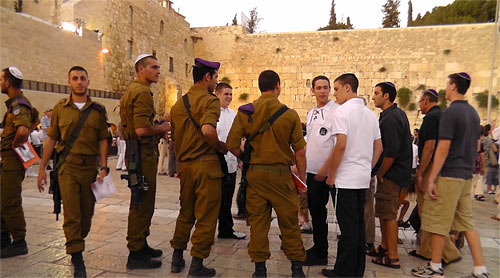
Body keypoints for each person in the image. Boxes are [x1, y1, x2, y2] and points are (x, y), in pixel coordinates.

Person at [227, 70, 307, 278]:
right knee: (289, 223)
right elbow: (300, 152)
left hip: (256, 176)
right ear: (278, 86)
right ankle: (297, 269)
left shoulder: (246, 112)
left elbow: (231, 144)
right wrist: (302, 180)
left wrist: (245, 157)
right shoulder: (289, 115)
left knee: (259, 224)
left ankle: (260, 269)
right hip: (281, 176)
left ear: (259, 87)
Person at [411, 73, 489, 278]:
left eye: (447, 84)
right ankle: (480, 269)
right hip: (465, 176)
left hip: (448, 175)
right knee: (466, 222)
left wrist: (431, 178)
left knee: (438, 222)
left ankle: (435, 266)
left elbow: (442, 148)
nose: (446, 88)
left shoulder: (450, 113)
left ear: (453, 87)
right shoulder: (473, 113)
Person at [36, 66, 109, 277]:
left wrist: (104, 167)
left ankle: (78, 240)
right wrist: (42, 168)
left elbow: (103, 139)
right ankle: (77, 257)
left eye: (82, 78)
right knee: (72, 215)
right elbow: (51, 138)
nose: (79, 82)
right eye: (75, 79)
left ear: (88, 81)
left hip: (89, 170)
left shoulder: (98, 110)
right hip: (67, 168)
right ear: (69, 82)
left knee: (86, 216)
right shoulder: (60, 108)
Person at [320, 73, 383, 277]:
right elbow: (379, 148)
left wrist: (332, 174)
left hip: (346, 179)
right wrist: (367, 168)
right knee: (358, 225)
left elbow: (340, 146)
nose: (334, 94)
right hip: (362, 179)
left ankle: (343, 271)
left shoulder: (342, 112)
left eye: (336, 89)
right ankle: (357, 269)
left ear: (348, 88)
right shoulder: (370, 115)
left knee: (347, 229)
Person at [169, 58, 226, 277]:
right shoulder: (210, 101)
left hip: (187, 168)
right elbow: (207, 131)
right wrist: (220, 146)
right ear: (207, 77)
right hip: (206, 166)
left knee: (186, 213)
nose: (216, 82)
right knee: (206, 216)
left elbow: (174, 140)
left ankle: (176, 258)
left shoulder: (178, 105)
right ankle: (197, 264)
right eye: (215, 77)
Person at [120, 54, 170, 269]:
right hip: (142, 155)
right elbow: (141, 129)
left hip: (137, 153)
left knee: (142, 199)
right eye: (154, 67)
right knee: (142, 201)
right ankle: (135, 252)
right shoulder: (141, 92)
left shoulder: (133, 90)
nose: (158, 71)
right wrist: (162, 128)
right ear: (141, 69)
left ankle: (141, 244)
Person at [408, 89, 462, 265]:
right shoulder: (443, 115)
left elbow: (429, 147)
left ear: (425, 100)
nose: (419, 106)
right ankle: (425, 250)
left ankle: (449, 252)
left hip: (432, 167)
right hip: (444, 167)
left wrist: (421, 172)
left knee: (428, 212)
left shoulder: (431, 118)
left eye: (420, 103)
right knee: (427, 211)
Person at [370, 81, 412, 269]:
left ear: (386, 96)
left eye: (376, 93)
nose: (373, 97)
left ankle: (392, 256)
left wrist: (380, 173)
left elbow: (392, 152)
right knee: (384, 212)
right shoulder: (394, 115)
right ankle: (384, 247)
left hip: (391, 175)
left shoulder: (391, 118)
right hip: (395, 174)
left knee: (389, 216)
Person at [0, 67, 38, 258]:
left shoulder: (19, 105)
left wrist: (14, 144)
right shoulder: (17, 104)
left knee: (10, 199)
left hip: (13, 158)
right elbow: (36, 116)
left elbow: (22, 131)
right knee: (2, 198)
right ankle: (3, 237)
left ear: (8, 83)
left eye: (1, 80)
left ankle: (19, 241)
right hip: (8, 158)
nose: (0, 83)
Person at [302, 75, 338, 266]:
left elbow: (337, 143)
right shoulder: (311, 113)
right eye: (319, 87)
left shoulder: (336, 112)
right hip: (313, 171)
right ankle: (319, 249)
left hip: (329, 172)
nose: (322, 91)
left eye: (326, 87)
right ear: (313, 90)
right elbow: (311, 140)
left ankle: (329, 253)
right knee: (316, 212)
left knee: (336, 214)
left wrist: (329, 170)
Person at [215, 82, 246, 240]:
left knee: (227, 198)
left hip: (231, 163)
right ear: (217, 94)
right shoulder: (213, 113)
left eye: (231, 94)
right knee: (215, 199)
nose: (229, 97)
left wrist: (239, 158)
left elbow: (238, 137)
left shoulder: (233, 114)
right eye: (226, 94)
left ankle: (226, 229)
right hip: (216, 162)